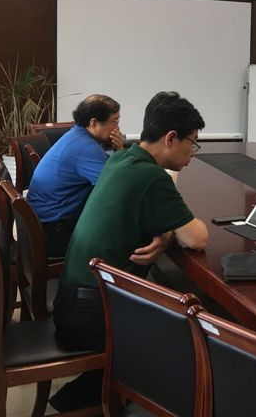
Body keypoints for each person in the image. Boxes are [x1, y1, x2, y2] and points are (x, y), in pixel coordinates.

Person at [49, 91, 209, 411]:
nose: (193, 152)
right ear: (171, 138)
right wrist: (169, 232)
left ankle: (88, 392)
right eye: (192, 142)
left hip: (71, 302)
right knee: (192, 330)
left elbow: (160, 220)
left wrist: (164, 234)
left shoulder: (121, 159)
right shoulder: (151, 175)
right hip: (93, 316)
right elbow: (197, 238)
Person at [27, 94, 124, 257]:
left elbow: (110, 173)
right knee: (127, 233)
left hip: (43, 224)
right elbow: (116, 188)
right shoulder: (86, 148)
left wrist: (117, 151)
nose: (117, 129)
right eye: (114, 121)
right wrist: (120, 152)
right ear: (93, 123)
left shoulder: (76, 136)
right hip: (55, 233)